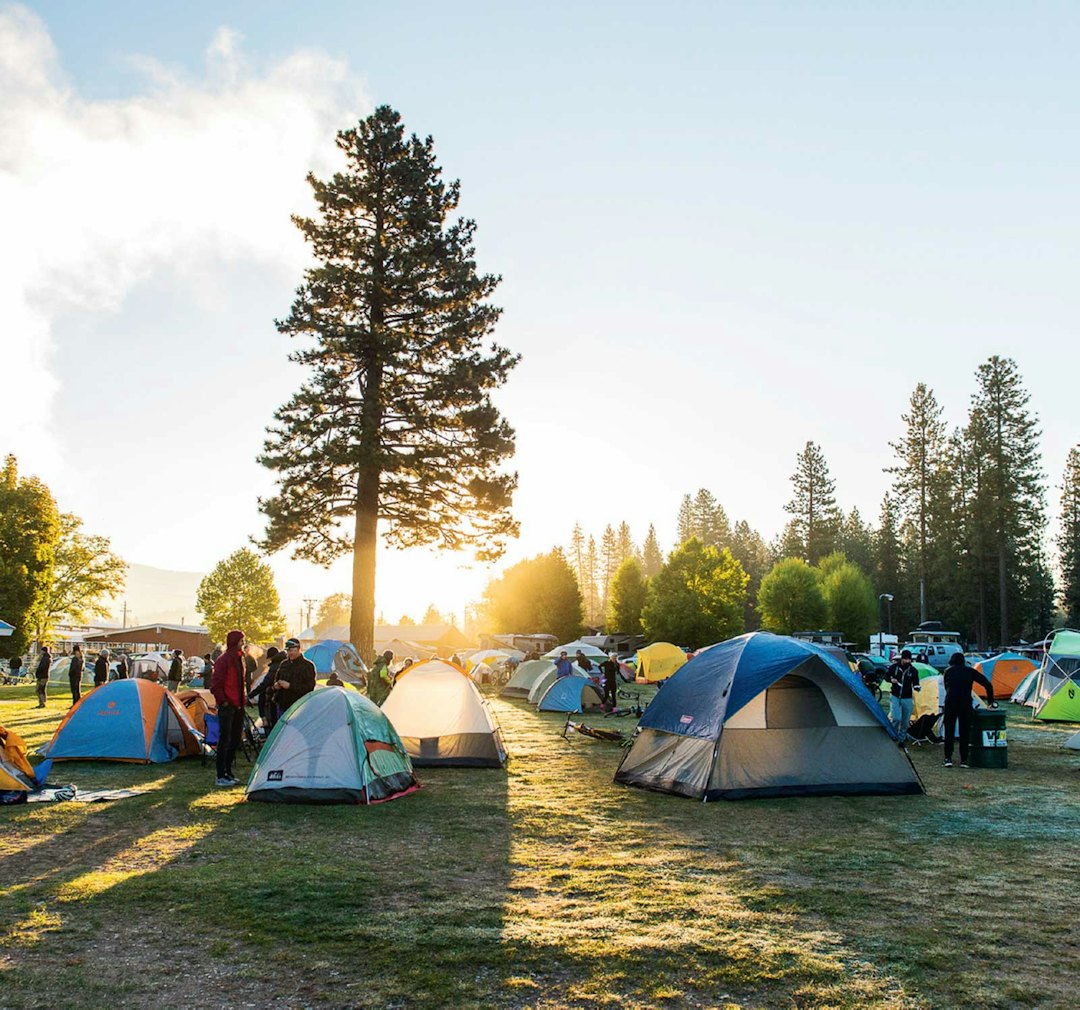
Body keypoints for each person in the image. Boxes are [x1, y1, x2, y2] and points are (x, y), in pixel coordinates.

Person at [942, 651, 996, 768]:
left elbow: (946, 686)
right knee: (964, 731)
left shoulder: (948, 671)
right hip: (965, 702)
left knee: (949, 731)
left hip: (950, 702)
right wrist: (990, 701)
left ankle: (948, 758)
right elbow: (988, 684)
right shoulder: (970, 671)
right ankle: (964, 760)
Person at [210, 629, 247, 786]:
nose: (243, 644)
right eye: (241, 641)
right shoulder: (224, 660)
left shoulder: (239, 658)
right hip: (228, 705)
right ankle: (221, 775)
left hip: (238, 705)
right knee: (224, 739)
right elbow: (216, 684)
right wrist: (223, 701)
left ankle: (228, 772)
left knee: (235, 739)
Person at [273, 638, 317, 717]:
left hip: (299, 705)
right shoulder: (284, 664)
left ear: (299, 649)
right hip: (282, 705)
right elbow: (277, 679)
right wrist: (276, 685)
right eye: (289, 651)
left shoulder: (308, 666)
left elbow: (309, 687)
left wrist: (290, 686)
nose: (291, 653)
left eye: (293, 650)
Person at [886, 650, 921, 742]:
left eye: (909, 659)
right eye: (906, 659)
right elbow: (886, 677)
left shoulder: (913, 671)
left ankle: (901, 739)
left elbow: (916, 683)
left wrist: (917, 687)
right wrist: (891, 679)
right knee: (896, 718)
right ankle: (893, 735)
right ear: (902, 659)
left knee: (905, 721)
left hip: (907, 697)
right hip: (895, 696)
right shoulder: (894, 667)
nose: (907, 661)